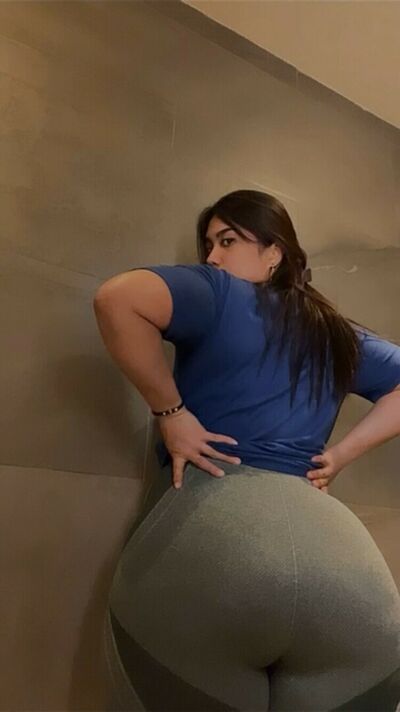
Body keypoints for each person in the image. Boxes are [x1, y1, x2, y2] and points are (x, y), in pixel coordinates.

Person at [94, 190, 400, 711]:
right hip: (349, 574)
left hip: (211, 544)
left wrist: (171, 412)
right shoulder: (336, 331)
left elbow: (116, 298)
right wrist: (342, 454)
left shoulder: (217, 293)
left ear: (275, 251)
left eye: (228, 240)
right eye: (209, 245)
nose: (212, 257)